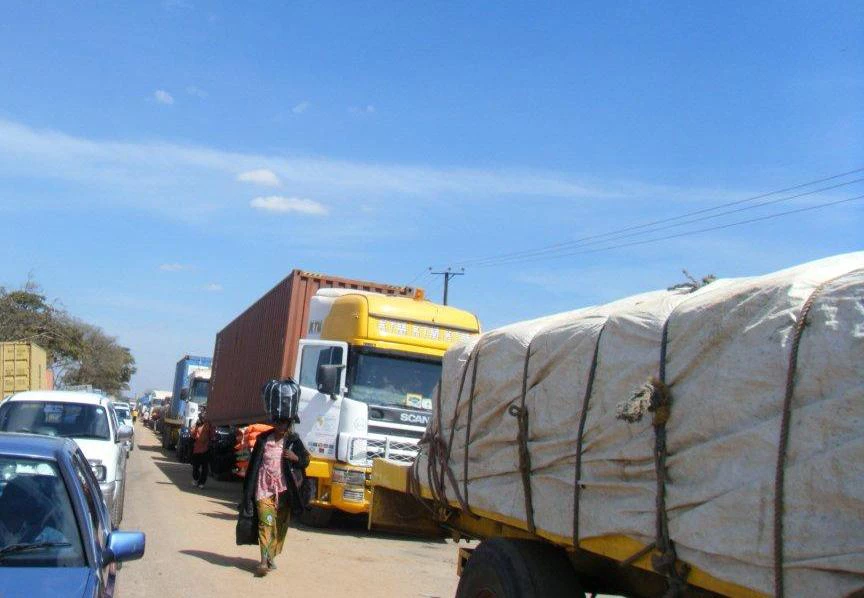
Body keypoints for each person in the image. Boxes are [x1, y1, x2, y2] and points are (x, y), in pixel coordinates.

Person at [238, 379, 310, 577]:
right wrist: (247, 493)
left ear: (289, 423)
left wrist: (295, 458)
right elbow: (253, 468)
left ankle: (271, 555)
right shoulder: (263, 440)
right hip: (264, 491)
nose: (280, 425)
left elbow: (305, 461)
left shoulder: (294, 442)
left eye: (284, 422)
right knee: (266, 522)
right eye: (277, 421)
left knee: (279, 527)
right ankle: (263, 561)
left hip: (285, 493)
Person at [190, 407, 214, 489]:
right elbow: (192, 435)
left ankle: (202, 482)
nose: (203, 417)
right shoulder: (197, 424)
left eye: (205, 416)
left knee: (204, 467)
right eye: (202, 416)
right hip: (197, 449)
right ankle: (196, 479)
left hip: (205, 449)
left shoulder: (209, 425)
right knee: (195, 467)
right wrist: (196, 426)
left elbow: (212, 435)